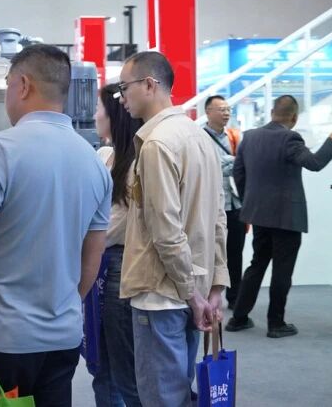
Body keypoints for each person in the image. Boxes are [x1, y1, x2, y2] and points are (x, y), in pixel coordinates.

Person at [0, 44, 111, 407]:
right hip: (63, 338)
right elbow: (92, 256)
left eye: (7, 84)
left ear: (22, 85)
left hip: (0, 340)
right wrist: (65, 305)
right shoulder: (94, 163)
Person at [116, 51, 229, 407]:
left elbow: (165, 230)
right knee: (179, 391)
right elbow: (218, 219)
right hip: (192, 287)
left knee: (162, 397)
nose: (122, 97)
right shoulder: (199, 137)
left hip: (162, 293)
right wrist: (214, 285)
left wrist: (193, 294)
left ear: (149, 84)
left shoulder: (157, 144)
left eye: (125, 87)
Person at [226, 95, 332, 338]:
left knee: (257, 264)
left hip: (258, 214)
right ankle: (276, 323)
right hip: (286, 217)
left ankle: (238, 318)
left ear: (272, 112)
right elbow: (314, 163)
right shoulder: (290, 138)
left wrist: (251, 200)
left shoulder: (250, 137)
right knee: (282, 269)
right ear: (294, 117)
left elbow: (238, 173)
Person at [89, 82, 143, 407]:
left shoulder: (137, 163)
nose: (95, 115)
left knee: (123, 372)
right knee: (102, 367)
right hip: (100, 267)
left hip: (119, 269)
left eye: (100, 109)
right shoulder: (104, 156)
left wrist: (85, 235)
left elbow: (112, 226)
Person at [203, 95, 245, 309]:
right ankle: (208, 294)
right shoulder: (199, 137)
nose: (226, 113)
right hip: (210, 206)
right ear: (208, 112)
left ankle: (235, 298)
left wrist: (225, 163)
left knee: (235, 253)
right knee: (210, 252)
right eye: (221, 109)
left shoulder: (234, 136)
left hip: (234, 204)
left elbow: (243, 164)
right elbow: (209, 166)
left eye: (228, 109)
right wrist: (232, 162)